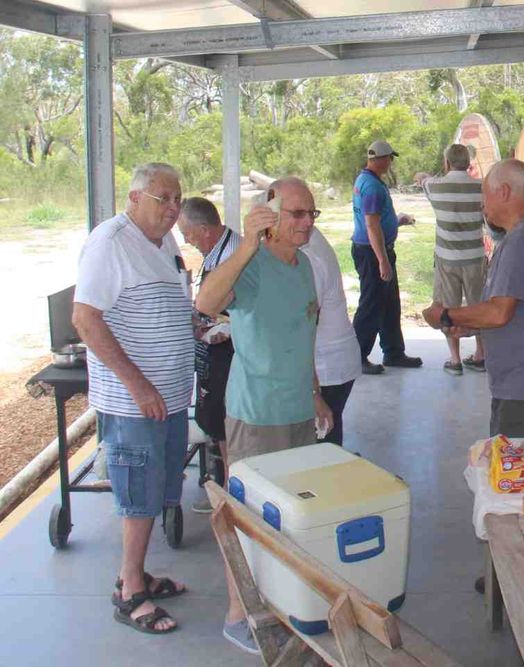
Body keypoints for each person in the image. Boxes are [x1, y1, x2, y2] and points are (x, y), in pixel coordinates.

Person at [196, 176, 333, 654]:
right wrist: (245, 246)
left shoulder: (306, 267)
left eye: (311, 214)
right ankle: (239, 616)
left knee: (290, 519)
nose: (306, 223)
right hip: (255, 416)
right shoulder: (250, 266)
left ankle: (278, 605)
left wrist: (315, 393)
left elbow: (305, 335)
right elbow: (205, 305)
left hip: (297, 412)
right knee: (247, 520)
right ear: (269, 219)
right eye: (296, 214)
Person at [72, 162, 192, 635]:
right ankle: (130, 593)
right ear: (134, 197)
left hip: (169, 396)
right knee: (138, 498)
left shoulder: (163, 242)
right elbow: (85, 320)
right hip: (134, 403)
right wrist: (138, 385)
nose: (173, 208)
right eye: (163, 198)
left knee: (159, 488)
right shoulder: (110, 242)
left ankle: (138, 574)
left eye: (178, 199)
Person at [423, 158, 524, 438]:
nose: (482, 203)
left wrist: (445, 315)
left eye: (485, 194)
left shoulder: (521, 242)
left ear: (503, 192)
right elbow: (519, 311)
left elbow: (499, 312)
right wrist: (473, 325)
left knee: (514, 474)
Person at [177, 197, 241, 514]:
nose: (185, 240)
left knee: (225, 430)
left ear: (203, 230)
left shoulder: (232, 256)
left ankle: (231, 498)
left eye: (186, 233)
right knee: (217, 428)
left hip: (229, 356)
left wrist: (202, 327)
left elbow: (237, 319)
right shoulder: (218, 251)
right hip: (217, 353)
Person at [351, 139, 422, 375]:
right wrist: (382, 260)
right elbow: (371, 225)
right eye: (390, 158)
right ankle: (358, 356)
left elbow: (375, 220)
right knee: (371, 305)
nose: (391, 162)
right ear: (381, 159)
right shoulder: (371, 186)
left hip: (376, 250)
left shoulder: (367, 181)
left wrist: (396, 222)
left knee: (390, 304)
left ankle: (393, 352)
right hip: (372, 253)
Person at [423, 143, 487, 375]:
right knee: (478, 307)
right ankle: (481, 356)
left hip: (446, 261)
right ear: (469, 164)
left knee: (447, 309)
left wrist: (429, 175)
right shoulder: (482, 188)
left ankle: (455, 360)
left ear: (447, 162)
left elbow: (424, 180)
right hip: (476, 259)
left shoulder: (434, 187)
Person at [302, 227, 363, 446]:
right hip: (328, 364)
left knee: (321, 446)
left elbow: (305, 327)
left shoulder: (307, 256)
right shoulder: (306, 243)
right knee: (326, 442)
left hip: (326, 368)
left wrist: (312, 391)